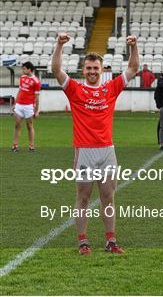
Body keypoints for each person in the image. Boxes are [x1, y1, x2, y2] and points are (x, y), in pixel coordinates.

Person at [51, 33, 139, 255]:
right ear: (83, 70)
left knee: (108, 197)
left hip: (107, 151)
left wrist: (134, 47)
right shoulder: (75, 90)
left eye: (95, 68)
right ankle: (83, 241)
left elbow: (133, 69)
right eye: (88, 68)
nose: (92, 71)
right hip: (85, 152)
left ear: (102, 70)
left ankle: (111, 241)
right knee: (83, 197)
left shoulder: (110, 89)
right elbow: (56, 69)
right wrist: (59, 45)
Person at [11, 61, 40, 152]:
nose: (23, 71)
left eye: (24, 69)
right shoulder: (22, 78)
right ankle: (15, 145)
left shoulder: (36, 81)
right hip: (19, 105)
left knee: (29, 126)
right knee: (17, 125)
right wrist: (15, 103)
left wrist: (36, 110)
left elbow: (37, 98)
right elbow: (20, 91)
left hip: (29, 106)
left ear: (29, 69)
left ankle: (31, 146)